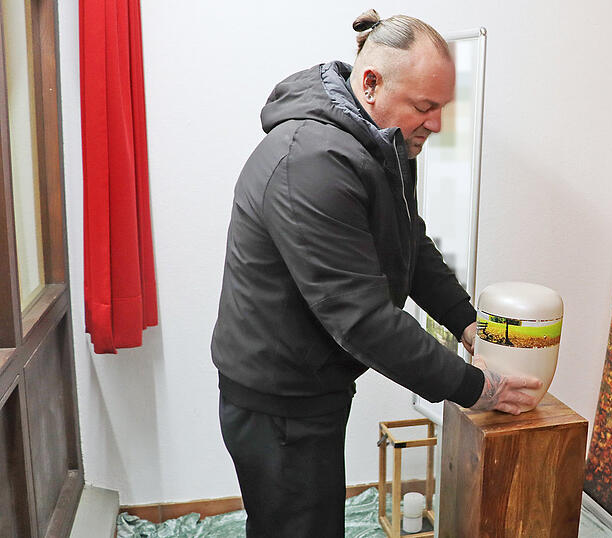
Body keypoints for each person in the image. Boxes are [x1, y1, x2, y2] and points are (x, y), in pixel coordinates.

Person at [210, 9, 541, 537]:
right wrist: (476, 387)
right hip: (279, 403)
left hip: (311, 386)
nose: (437, 124)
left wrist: (467, 323)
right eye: (425, 107)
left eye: (442, 108)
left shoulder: (379, 142)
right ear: (370, 83)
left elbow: (410, 243)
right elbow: (363, 320)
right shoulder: (312, 163)